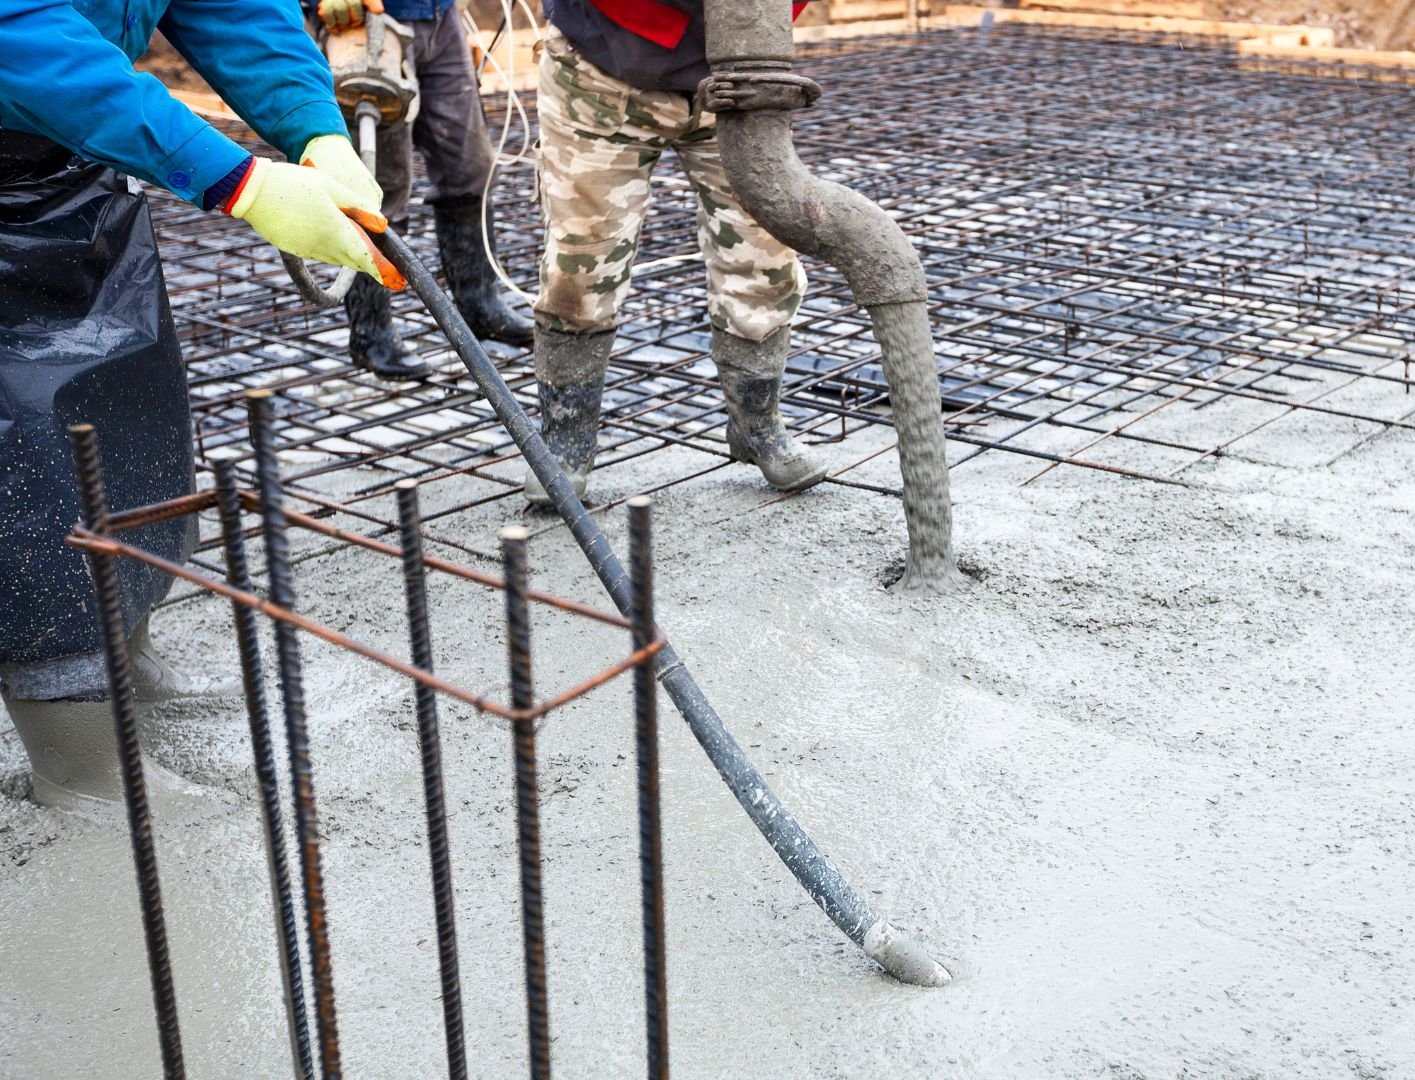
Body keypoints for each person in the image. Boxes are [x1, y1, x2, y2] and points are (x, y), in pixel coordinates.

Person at [0, 0, 396, 808]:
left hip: (66, 147)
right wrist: (240, 179)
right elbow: (17, 29)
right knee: (29, 469)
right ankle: (81, 760)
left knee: (121, 410)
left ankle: (125, 652)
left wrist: (311, 124)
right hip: (39, 96)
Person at [526, 0, 824, 505]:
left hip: (740, 70)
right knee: (581, 266)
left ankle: (757, 423)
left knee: (764, 252)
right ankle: (565, 441)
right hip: (602, 63)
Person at [312, 0, 533, 378]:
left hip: (439, 15)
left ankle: (481, 305)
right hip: (368, 17)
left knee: (469, 166)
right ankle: (371, 332)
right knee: (379, 182)